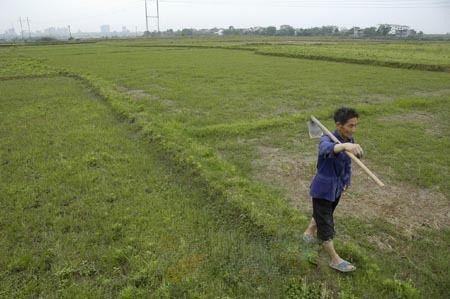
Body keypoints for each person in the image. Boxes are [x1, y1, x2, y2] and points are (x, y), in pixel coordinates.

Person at [303, 107, 363, 273]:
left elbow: (346, 164)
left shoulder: (349, 140)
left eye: (355, 125)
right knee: (326, 225)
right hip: (322, 190)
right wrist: (343, 146)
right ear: (339, 125)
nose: (354, 129)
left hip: (336, 189)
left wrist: (346, 180)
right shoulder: (327, 139)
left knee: (323, 214)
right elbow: (326, 149)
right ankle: (334, 259)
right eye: (350, 126)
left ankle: (308, 233)